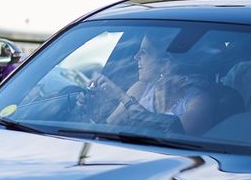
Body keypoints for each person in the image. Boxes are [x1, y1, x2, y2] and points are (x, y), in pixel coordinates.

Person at [82, 34, 216, 136]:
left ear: (165, 65)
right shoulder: (139, 88)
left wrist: (122, 97)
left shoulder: (199, 102)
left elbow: (174, 138)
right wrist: (94, 108)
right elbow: (108, 127)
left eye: (144, 52)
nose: (136, 57)